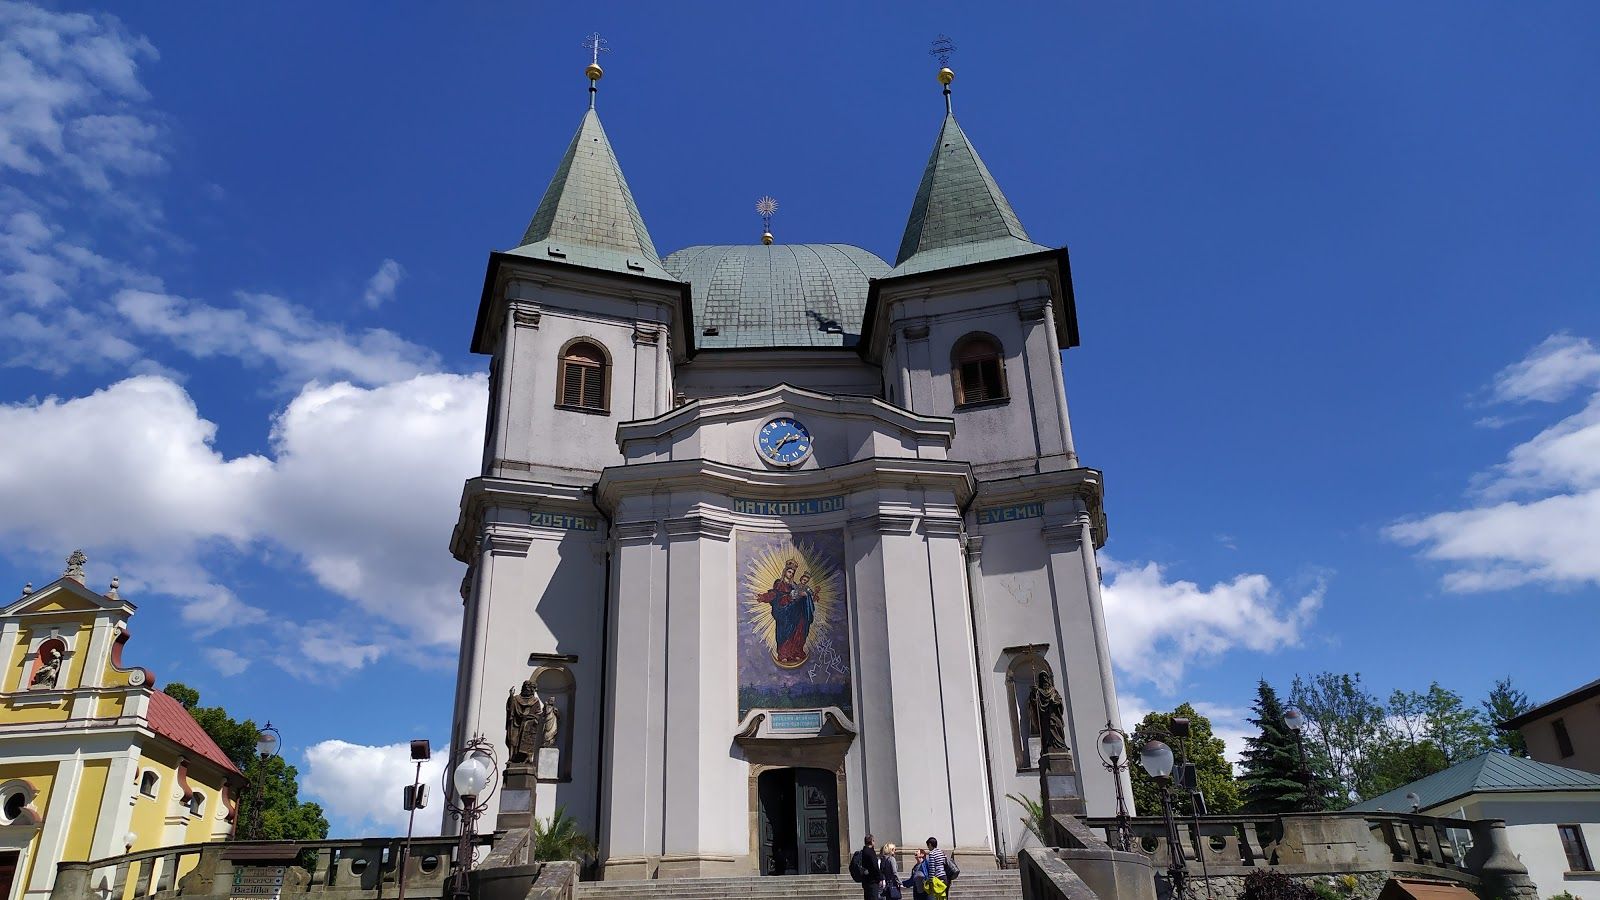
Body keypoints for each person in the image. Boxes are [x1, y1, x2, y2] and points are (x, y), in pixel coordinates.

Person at [850, 834, 883, 899]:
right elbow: (875, 866)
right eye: (874, 841)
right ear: (871, 841)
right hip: (872, 881)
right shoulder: (870, 852)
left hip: (865, 880)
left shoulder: (863, 851)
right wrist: (880, 878)